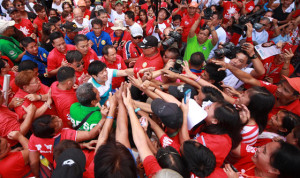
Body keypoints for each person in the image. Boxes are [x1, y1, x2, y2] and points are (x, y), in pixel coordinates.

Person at [28, 114, 105, 177]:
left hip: (58, 165)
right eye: (58, 124)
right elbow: (90, 134)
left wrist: (37, 176)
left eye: (55, 117)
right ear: (53, 133)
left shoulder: (33, 138)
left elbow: (33, 162)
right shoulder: (66, 134)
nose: (60, 120)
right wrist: (104, 118)